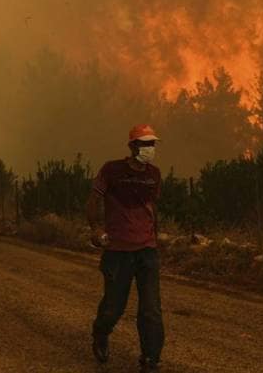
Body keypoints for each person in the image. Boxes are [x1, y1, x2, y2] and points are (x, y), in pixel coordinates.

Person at [87, 124, 164, 372]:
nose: (149, 149)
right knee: (114, 306)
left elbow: (152, 207)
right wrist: (95, 229)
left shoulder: (154, 174)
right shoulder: (112, 170)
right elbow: (94, 199)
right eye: (144, 144)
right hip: (118, 251)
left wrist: (155, 238)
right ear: (132, 146)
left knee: (151, 308)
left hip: (147, 250)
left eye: (152, 144)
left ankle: (150, 359)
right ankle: (101, 332)